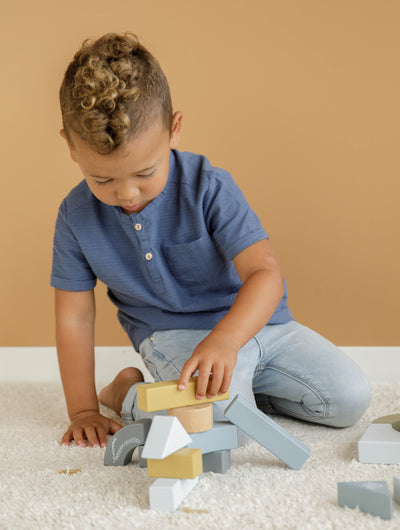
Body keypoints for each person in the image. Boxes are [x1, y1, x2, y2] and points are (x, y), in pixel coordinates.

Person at [52, 32, 371, 449]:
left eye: (145, 173)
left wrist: (226, 340)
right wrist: (83, 410)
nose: (126, 194)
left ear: (175, 130)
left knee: (349, 399)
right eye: (102, 179)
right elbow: (74, 317)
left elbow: (264, 273)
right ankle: (125, 395)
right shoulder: (75, 216)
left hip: (259, 326)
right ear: (71, 148)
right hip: (173, 336)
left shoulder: (209, 186)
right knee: (221, 425)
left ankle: (234, 391)